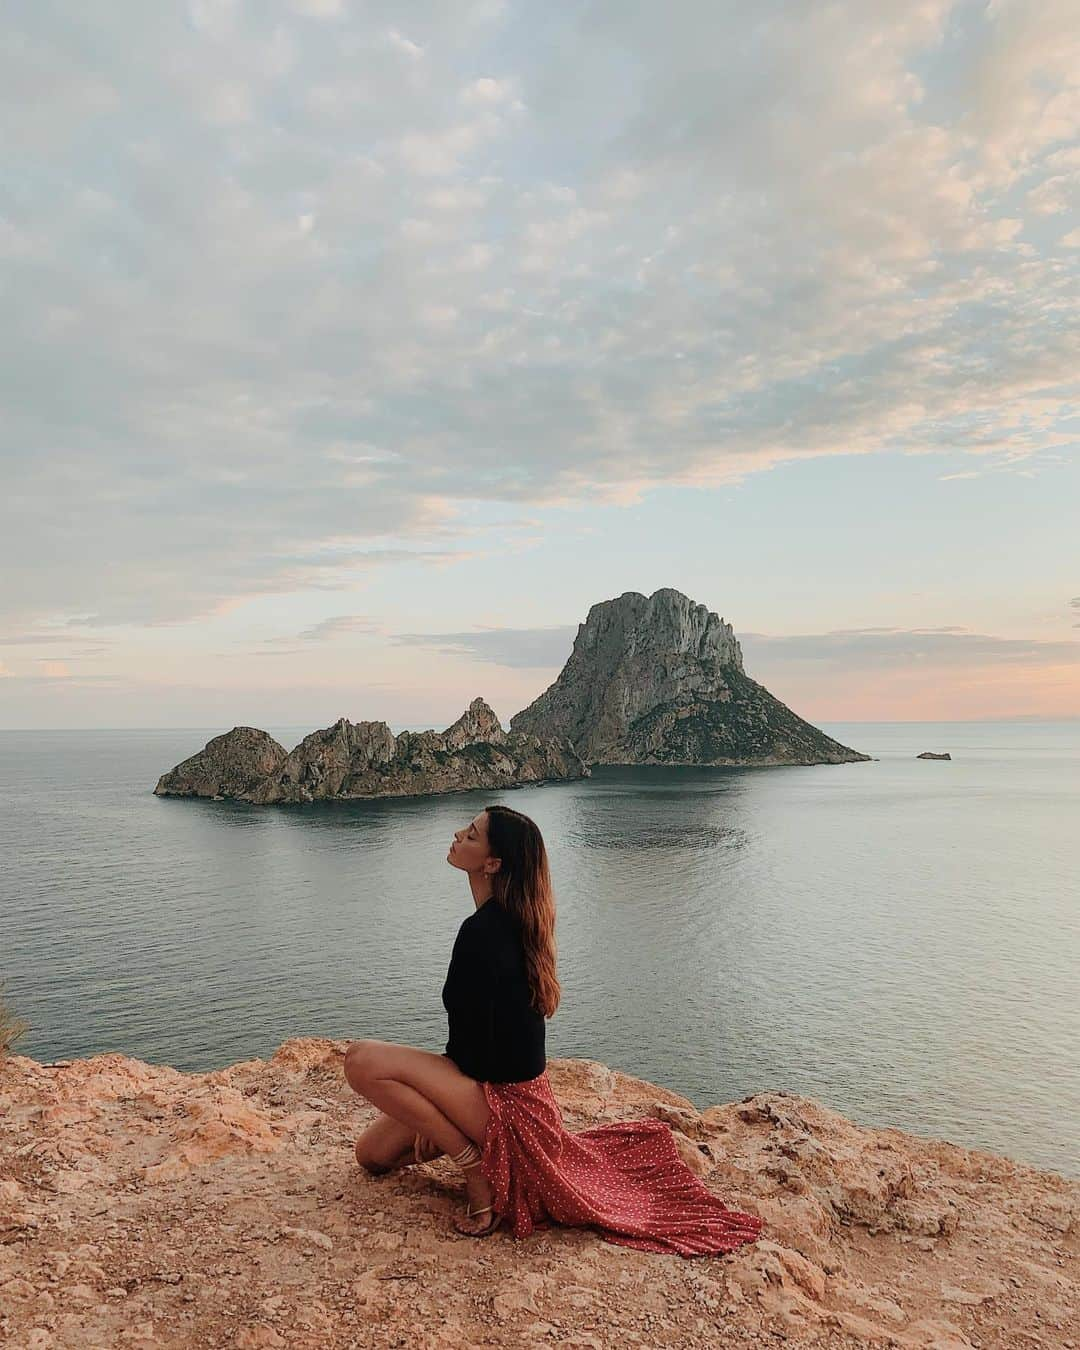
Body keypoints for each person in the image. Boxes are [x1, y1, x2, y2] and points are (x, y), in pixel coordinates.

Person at [345, 804, 764, 1255]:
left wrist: (446, 1106)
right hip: (504, 1097)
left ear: (492, 863)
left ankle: (474, 1168)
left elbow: (497, 1060)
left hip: (507, 1104)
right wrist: (443, 1102)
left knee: (361, 1060)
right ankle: (470, 1144)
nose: (457, 836)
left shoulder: (486, 933)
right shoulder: (512, 921)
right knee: (371, 1155)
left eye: (470, 834)